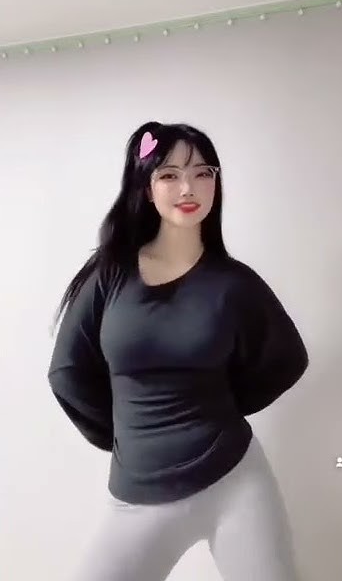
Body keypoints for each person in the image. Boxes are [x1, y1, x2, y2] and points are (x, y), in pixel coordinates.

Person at [48, 120, 309, 581]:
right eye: (169, 174)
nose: (188, 187)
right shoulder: (111, 274)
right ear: (147, 188)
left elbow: (287, 359)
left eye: (202, 172)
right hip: (138, 493)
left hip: (235, 481)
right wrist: (123, 434)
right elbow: (67, 371)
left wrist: (220, 408)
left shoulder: (235, 283)